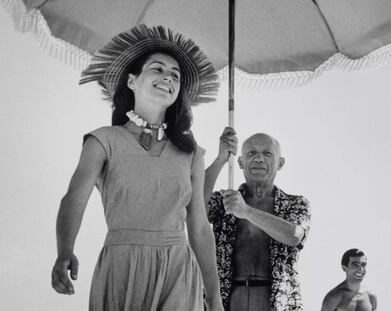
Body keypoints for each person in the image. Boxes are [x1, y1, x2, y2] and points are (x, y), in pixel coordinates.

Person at [51, 24, 224, 311]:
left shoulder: (190, 152)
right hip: (122, 266)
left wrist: (214, 297)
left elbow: (200, 228)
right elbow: (74, 198)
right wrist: (65, 250)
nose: (168, 77)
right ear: (132, 81)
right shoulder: (103, 140)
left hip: (178, 270)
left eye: (175, 75)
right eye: (157, 69)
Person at [204, 127, 311, 311]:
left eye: (267, 153)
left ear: (280, 163)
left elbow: (294, 235)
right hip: (227, 301)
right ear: (240, 161)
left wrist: (247, 212)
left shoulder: (295, 204)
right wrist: (221, 158)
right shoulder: (226, 201)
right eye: (251, 153)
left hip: (279, 303)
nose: (259, 158)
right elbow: (194, 205)